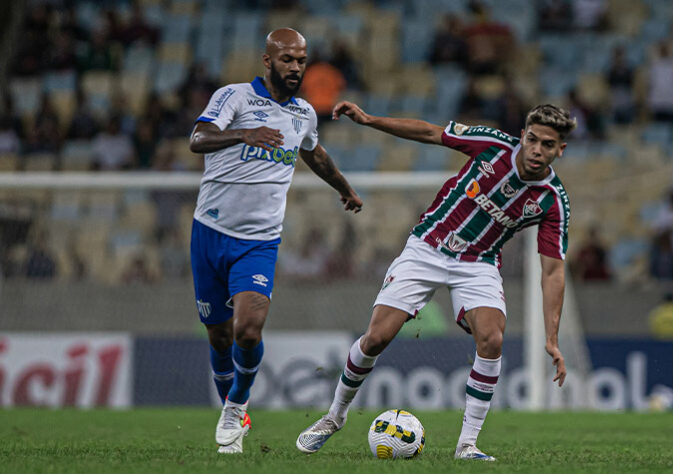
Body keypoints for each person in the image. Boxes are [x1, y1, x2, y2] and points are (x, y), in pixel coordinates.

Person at [296, 101, 575, 461]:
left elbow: (552, 271)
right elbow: (430, 132)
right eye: (532, 139)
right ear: (522, 135)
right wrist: (369, 120)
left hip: (479, 263)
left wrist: (552, 338)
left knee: (492, 339)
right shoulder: (492, 144)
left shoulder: (553, 202)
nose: (537, 150)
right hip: (427, 246)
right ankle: (334, 417)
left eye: (548, 145)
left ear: (560, 150)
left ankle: (467, 445)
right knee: (377, 337)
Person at [188, 28, 362, 455]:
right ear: (268, 62)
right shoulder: (234, 98)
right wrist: (244, 134)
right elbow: (198, 139)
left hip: (259, 242)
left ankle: (236, 407)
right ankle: (230, 403)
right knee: (218, 337)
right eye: (287, 60)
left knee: (247, 329)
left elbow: (313, 153)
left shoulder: (303, 113)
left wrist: (344, 187)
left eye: (301, 60)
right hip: (209, 233)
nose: (295, 68)